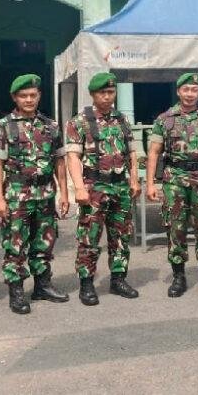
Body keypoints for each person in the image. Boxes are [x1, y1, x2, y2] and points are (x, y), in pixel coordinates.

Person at [0, 74, 70, 315]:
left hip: (45, 194)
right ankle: (16, 292)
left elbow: (59, 161)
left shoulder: (50, 126)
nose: (29, 99)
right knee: (15, 245)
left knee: (45, 242)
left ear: (39, 96)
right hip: (17, 195)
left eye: (33, 95)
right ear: (15, 98)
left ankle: (42, 286)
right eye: (23, 96)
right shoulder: (3, 126)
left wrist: (64, 194)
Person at [146, 73, 198, 298]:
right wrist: (151, 183)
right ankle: (178, 276)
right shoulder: (165, 119)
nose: (190, 94)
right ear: (178, 91)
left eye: (194, 90)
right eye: (186, 89)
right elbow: (154, 152)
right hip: (174, 180)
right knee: (175, 228)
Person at [65, 72, 141, 306]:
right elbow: (72, 157)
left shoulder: (122, 120)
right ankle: (87, 284)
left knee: (121, 236)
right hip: (94, 187)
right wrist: (78, 188)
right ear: (92, 94)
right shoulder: (79, 121)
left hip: (120, 186)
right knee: (89, 237)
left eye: (110, 92)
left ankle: (118, 279)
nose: (107, 97)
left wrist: (134, 180)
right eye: (102, 93)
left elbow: (132, 153)